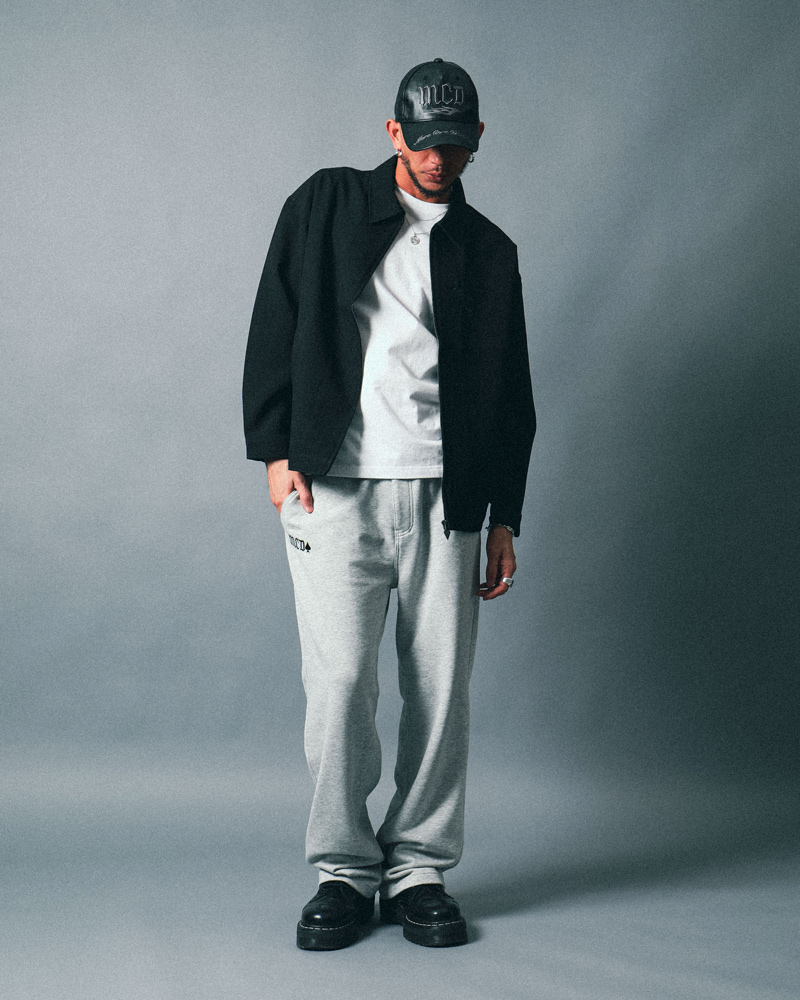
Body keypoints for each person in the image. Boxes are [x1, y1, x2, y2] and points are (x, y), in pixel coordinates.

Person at [243, 58, 535, 950]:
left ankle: (419, 867)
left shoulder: (488, 251)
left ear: (476, 140)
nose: (438, 159)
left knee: (440, 689)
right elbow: (275, 318)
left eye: (456, 144)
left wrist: (505, 515)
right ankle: (344, 867)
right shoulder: (326, 205)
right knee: (338, 685)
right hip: (333, 486)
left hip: (450, 494)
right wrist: (274, 449)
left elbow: (511, 391)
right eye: (424, 141)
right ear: (393, 132)